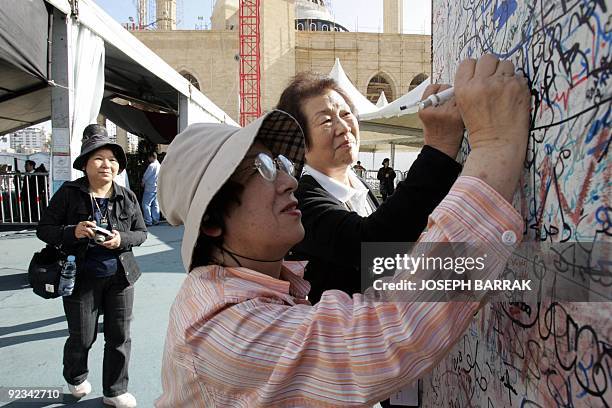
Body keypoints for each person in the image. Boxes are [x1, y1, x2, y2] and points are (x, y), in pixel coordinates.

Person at [155, 54, 531, 407]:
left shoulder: (252, 285)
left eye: (282, 163)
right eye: (263, 169)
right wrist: (495, 146)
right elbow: (390, 330)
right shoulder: (225, 333)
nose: (288, 180)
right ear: (212, 223)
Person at [277, 72, 464, 304]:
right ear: (299, 143)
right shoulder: (302, 202)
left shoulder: (359, 184)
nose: (343, 127)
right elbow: (371, 245)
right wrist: (438, 149)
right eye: (326, 120)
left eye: (346, 114)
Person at [37, 124, 147, 408]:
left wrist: (121, 238)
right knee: (82, 336)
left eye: (112, 160)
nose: (106, 165)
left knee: (120, 336)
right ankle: (75, 375)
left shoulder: (127, 196)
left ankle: (115, 390)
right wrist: (72, 231)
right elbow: (45, 229)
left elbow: (141, 232)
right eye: (98, 158)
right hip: (80, 278)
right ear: (85, 164)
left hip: (121, 277)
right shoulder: (69, 194)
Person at [141, 151, 160, 226]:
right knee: (155, 204)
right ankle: (156, 219)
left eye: (149, 157)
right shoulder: (159, 165)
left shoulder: (152, 165)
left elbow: (146, 175)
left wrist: (143, 181)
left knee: (145, 204)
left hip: (150, 187)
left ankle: (148, 220)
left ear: (152, 157)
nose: (148, 159)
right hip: (157, 187)